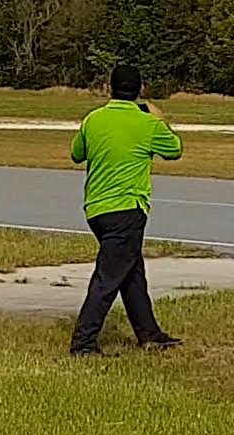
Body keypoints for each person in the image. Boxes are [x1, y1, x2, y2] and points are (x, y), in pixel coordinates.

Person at [67, 65, 184, 356]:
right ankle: (83, 343)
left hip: (96, 209)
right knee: (108, 278)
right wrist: (158, 117)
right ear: (140, 90)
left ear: (110, 88)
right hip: (127, 208)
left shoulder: (93, 119)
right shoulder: (147, 124)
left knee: (131, 272)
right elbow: (174, 150)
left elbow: (76, 154)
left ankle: (149, 333)